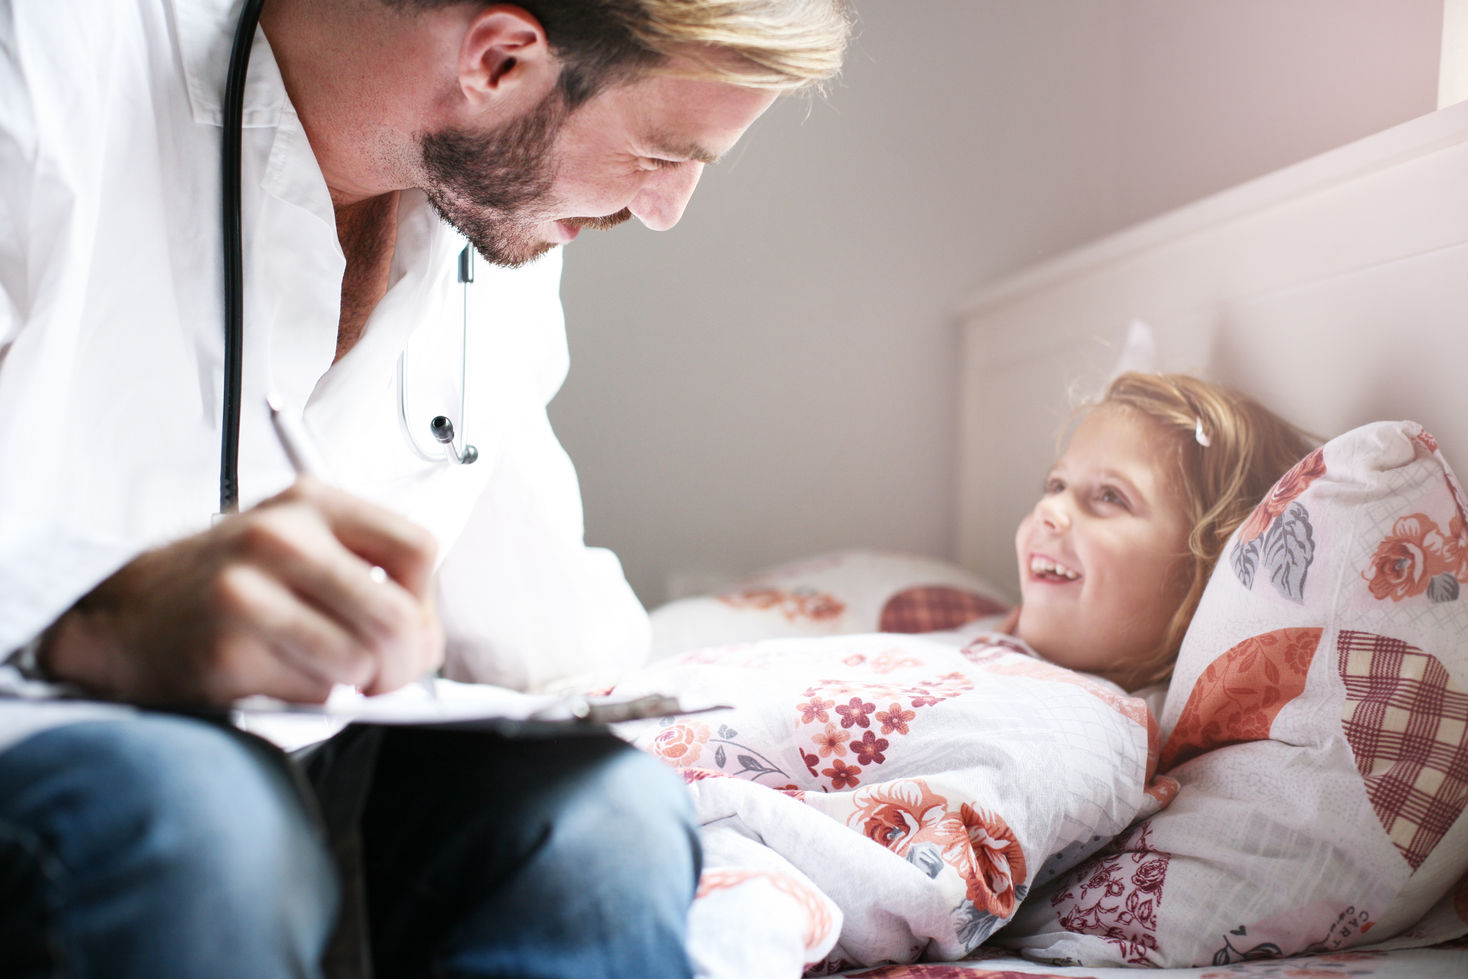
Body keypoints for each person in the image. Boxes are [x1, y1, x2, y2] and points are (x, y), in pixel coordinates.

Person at [0, 0, 852, 976]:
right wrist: (94, 612)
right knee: (198, 818)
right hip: (50, 740)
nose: (665, 209)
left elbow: (538, 624)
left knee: (605, 816)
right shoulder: (43, 56)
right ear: (497, 62)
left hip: (308, 771)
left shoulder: (493, 223)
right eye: (664, 153)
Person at [1007, 370, 1317, 691]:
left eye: (1110, 496)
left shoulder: (1090, 730)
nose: (1047, 508)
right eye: (1056, 485)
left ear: (1206, 579)